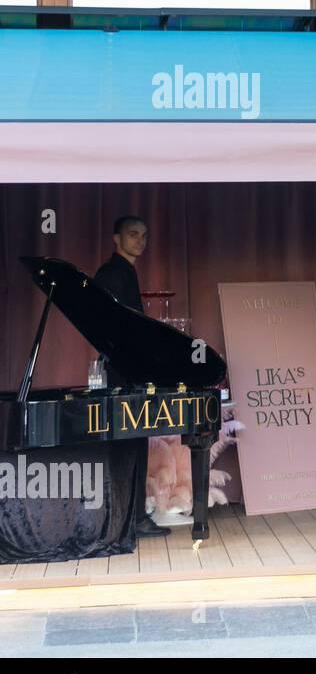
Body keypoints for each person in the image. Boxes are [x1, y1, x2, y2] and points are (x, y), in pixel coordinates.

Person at [93, 215, 170, 539]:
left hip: (128, 371)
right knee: (126, 446)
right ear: (116, 238)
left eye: (144, 235)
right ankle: (127, 519)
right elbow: (117, 327)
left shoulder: (124, 271)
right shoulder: (112, 273)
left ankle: (132, 517)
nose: (140, 240)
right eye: (133, 234)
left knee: (133, 445)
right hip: (122, 373)